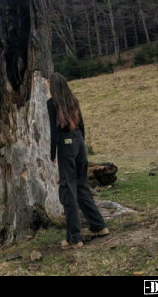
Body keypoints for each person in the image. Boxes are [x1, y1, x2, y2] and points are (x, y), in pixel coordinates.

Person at [47, 71, 109, 249]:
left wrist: (52, 154)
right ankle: (99, 225)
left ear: (52, 87)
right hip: (79, 141)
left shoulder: (52, 103)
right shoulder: (73, 100)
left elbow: (54, 131)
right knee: (81, 185)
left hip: (65, 144)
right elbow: (82, 126)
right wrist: (81, 144)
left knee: (68, 189)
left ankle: (74, 237)